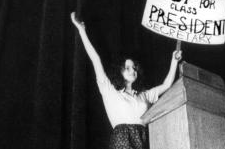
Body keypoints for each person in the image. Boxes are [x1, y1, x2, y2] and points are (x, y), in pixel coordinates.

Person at [71, 12, 182, 149]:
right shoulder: (110, 91)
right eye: (127, 68)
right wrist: (82, 31)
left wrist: (174, 61)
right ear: (120, 71)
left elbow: (167, 85)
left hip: (142, 140)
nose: (132, 70)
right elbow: (96, 59)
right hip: (121, 141)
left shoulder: (144, 95)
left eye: (134, 68)